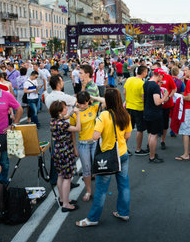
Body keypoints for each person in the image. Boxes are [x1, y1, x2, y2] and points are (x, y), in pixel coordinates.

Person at [76, 88, 132, 227]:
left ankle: (93, 218)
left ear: (108, 101)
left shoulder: (104, 115)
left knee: (101, 190)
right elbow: (127, 135)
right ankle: (124, 212)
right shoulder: (125, 114)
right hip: (123, 153)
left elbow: (95, 136)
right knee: (124, 185)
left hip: (107, 157)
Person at [49, 101, 81, 212]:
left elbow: (65, 117)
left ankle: (62, 199)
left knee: (60, 176)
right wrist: (77, 115)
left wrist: (72, 111)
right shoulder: (63, 124)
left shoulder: (53, 121)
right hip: (65, 152)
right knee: (67, 178)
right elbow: (77, 128)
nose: (66, 109)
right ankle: (66, 205)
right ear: (59, 112)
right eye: (64, 108)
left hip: (57, 152)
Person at [70, 91, 100, 202]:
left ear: (89, 101)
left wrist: (91, 96)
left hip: (95, 142)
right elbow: (72, 132)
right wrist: (74, 147)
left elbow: (105, 101)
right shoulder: (74, 113)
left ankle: (99, 191)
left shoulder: (93, 108)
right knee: (86, 170)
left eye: (85, 103)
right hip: (83, 144)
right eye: (80, 103)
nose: (82, 105)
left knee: (97, 168)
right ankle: (88, 191)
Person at [144, 68, 168, 163]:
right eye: (162, 76)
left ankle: (151, 153)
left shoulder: (146, 83)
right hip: (154, 113)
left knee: (150, 134)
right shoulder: (155, 86)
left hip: (147, 111)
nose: (162, 78)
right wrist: (165, 97)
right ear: (159, 75)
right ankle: (152, 156)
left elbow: (144, 97)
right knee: (154, 135)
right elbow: (157, 102)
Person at [124, 65, 148, 155]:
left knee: (128, 128)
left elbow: (124, 92)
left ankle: (124, 149)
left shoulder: (129, 79)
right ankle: (138, 149)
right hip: (139, 108)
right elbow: (143, 98)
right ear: (144, 72)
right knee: (140, 129)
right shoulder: (142, 83)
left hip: (129, 106)